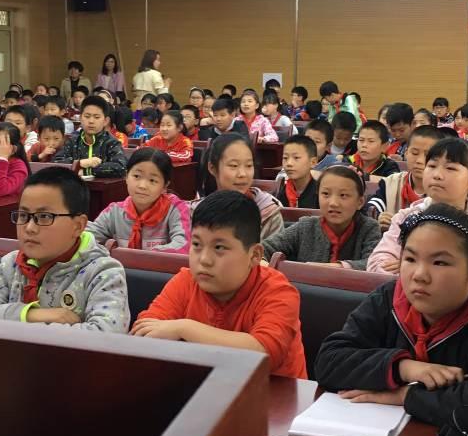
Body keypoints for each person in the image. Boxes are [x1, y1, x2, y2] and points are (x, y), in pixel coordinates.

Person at [314, 204, 468, 429]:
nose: (419, 275)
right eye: (410, 259)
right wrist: (404, 368)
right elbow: (329, 362)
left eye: (439, 262)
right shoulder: (390, 298)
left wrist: (405, 396)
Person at [132, 190, 307, 378]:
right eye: (197, 245)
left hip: (271, 392)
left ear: (254, 255)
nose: (204, 259)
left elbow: (263, 354)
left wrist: (184, 328)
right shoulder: (186, 281)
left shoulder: (278, 291)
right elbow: (145, 330)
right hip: (204, 387)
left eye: (219, 247)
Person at [0, 165, 130, 329]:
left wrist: (10, 325)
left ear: (78, 226)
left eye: (44, 216)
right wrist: (30, 314)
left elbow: (105, 336)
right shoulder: (12, 264)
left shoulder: (103, 272)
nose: (30, 228)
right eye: (23, 215)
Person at [367, 138, 468, 273]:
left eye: (450, 168)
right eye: (432, 166)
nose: (437, 175)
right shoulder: (408, 217)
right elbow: (376, 264)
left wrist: (412, 266)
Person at [263, 165, 381, 269]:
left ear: (360, 202)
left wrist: (338, 267)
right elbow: (265, 248)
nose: (333, 203)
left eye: (343, 195)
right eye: (325, 194)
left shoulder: (369, 228)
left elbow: (374, 263)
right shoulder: (306, 227)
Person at [87, 148, 191, 252]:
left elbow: (184, 245)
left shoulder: (176, 209)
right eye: (137, 176)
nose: (142, 186)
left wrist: (145, 258)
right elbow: (88, 238)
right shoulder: (114, 212)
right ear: (126, 177)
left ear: (165, 186)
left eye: (152, 180)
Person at [197, 132, 283, 240]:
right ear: (212, 168)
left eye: (249, 165)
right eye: (234, 165)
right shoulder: (198, 211)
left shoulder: (268, 211)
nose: (242, 174)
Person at [366, 125, 439, 226]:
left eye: (427, 155)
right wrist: (378, 216)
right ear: (406, 153)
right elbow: (373, 206)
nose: (420, 160)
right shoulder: (391, 183)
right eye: (414, 153)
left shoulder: (443, 189)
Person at [56, 95, 127, 178]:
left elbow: (120, 167)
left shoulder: (111, 142)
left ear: (105, 121)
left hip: (101, 186)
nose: (91, 121)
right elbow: (56, 162)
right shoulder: (73, 140)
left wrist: (87, 171)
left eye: (96, 117)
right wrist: (80, 163)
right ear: (80, 118)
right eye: (87, 116)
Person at [277, 135, 319, 209]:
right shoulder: (282, 193)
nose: (289, 163)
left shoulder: (319, 193)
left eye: (296, 158)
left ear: (313, 162)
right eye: (285, 158)